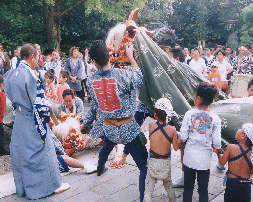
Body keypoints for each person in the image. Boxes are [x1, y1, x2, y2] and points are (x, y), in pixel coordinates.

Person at [82, 40, 148, 202]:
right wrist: (131, 57)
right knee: (143, 166)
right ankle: (143, 198)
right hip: (128, 129)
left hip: (109, 128)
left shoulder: (90, 80)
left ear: (94, 62)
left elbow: (94, 108)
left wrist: (85, 126)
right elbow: (139, 78)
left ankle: (99, 168)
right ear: (109, 56)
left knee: (105, 149)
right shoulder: (123, 75)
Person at [3, 43, 69, 200]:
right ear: (32, 56)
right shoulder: (32, 75)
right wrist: (49, 119)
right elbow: (40, 104)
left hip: (19, 120)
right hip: (33, 120)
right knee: (42, 152)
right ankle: (48, 187)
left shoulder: (10, 75)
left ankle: (24, 189)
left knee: (22, 155)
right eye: (37, 57)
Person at [179, 82, 221, 202]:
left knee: (187, 189)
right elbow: (217, 143)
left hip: (189, 157)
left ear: (198, 98)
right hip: (204, 161)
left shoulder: (189, 114)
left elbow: (183, 137)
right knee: (203, 190)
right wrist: (214, 149)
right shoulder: (215, 118)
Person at [144, 98, 179, 202]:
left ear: (155, 114)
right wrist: (179, 136)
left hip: (153, 162)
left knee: (148, 191)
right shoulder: (172, 129)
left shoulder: (151, 126)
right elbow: (176, 148)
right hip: (165, 164)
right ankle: (173, 200)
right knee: (168, 186)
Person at [213, 123, 253, 202]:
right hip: (245, 185)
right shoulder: (252, 153)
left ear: (243, 136)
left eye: (240, 129)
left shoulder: (231, 147)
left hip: (232, 184)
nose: (237, 130)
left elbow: (222, 162)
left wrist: (218, 153)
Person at [0, 75, 9, 156]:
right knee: (1, 134)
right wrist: (2, 119)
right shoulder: (2, 95)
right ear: (1, 85)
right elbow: (3, 108)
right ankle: (1, 150)